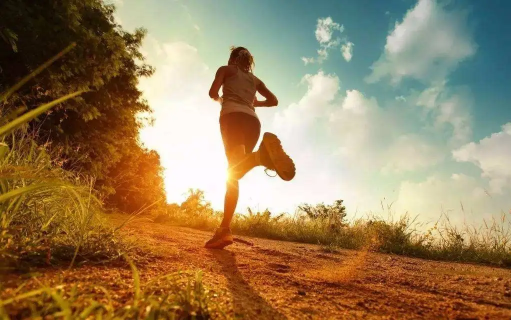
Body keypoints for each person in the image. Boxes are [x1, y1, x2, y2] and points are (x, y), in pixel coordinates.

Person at [205, 46, 295, 249]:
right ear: (249, 61)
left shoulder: (226, 70)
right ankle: (224, 230)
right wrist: (255, 104)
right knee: (235, 172)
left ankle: (259, 158)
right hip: (253, 122)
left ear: (232, 58)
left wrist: (221, 99)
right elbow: (273, 101)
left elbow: (212, 92)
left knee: (233, 172)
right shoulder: (255, 80)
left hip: (232, 118)